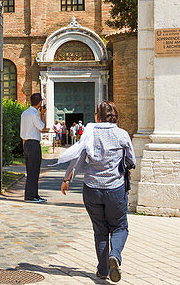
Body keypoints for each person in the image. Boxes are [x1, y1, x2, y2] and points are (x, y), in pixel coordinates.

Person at [58, 101, 135, 283]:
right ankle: (115, 255)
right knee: (119, 227)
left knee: (100, 230)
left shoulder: (89, 133)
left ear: (98, 115)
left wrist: (67, 179)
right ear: (115, 115)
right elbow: (131, 159)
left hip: (91, 189)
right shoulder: (122, 134)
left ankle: (103, 270)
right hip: (115, 189)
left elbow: (78, 158)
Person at [20, 92, 46, 202]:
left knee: (30, 170)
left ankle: (34, 194)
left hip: (26, 143)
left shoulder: (24, 113)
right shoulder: (34, 114)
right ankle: (30, 196)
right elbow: (42, 127)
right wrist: (43, 114)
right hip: (34, 144)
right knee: (34, 171)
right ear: (40, 102)